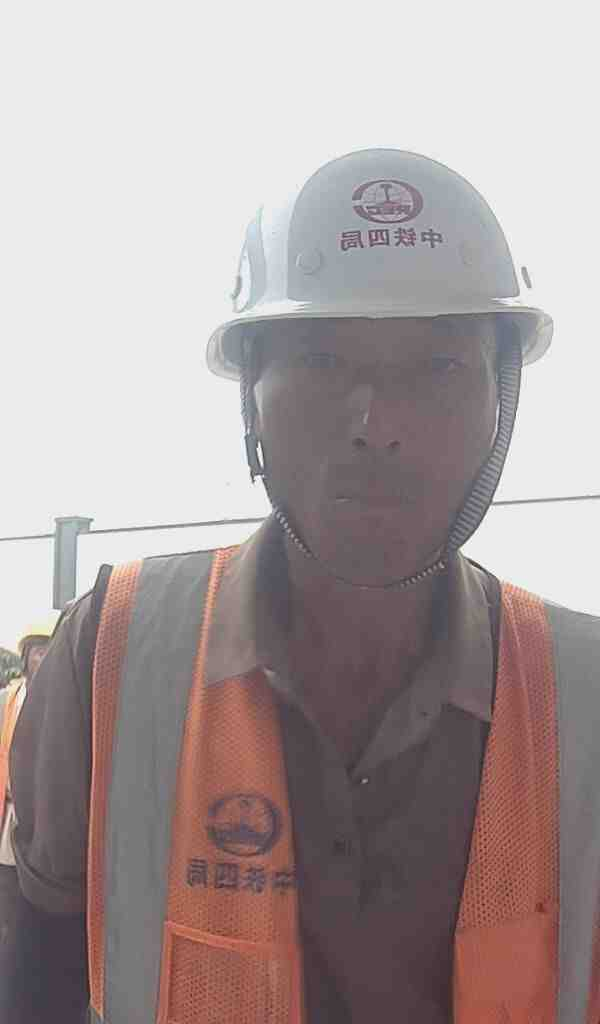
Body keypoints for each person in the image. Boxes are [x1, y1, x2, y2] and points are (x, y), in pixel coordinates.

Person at [5, 148, 599, 1024]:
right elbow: (36, 977)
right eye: (322, 360)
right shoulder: (115, 650)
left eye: (439, 367)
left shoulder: (584, 695)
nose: (378, 425)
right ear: (251, 396)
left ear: (499, 402)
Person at [0, 623, 55, 975]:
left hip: (47, 817)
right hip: (9, 813)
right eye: (38, 651)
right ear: (26, 656)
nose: (44, 659)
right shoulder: (9, 699)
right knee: (7, 887)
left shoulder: (67, 698)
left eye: (51, 650)